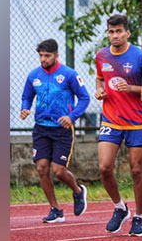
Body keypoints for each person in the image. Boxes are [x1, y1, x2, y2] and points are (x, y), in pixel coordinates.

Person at [20, 38, 90, 223]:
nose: (43, 59)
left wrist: (71, 117)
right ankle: (56, 209)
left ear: (56, 55)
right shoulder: (34, 75)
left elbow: (84, 98)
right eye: (41, 55)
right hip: (41, 128)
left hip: (62, 129)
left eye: (47, 55)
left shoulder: (69, 74)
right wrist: (25, 108)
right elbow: (26, 96)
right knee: (42, 169)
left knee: (59, 171)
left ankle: (78, 191)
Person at [95, 14, 142, 236]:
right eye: (111, 31)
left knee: (137, 170)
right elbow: (100, 77)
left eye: (118, 31)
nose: (114, 36)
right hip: (111, 118)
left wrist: (132, 89)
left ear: (127, 33)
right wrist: (99, 88)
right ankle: (120, 207)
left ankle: (139, 216)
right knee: (104, 167)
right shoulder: (101, 55)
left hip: (136, 120)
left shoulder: (141, 57)